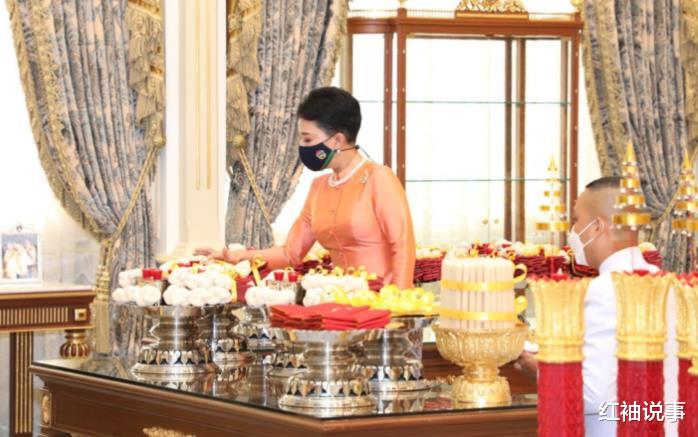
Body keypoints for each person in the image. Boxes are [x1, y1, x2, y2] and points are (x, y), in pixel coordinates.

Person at [197, 87, 416, 288]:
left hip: (383, 302)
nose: (302, 147)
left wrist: (400, 303)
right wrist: (235, 256)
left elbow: (403, 246)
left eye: (308, 140)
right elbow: (290, 253)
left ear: (337, 140)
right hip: (340, 301)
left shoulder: (379, 178)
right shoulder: (319, 187)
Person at [515, 176, 677, 437]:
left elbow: (591, 395)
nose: (573, 231)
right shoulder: (667, 282)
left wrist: (538, 368)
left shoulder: (605, 289)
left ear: (597, 227)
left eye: (577, 220)